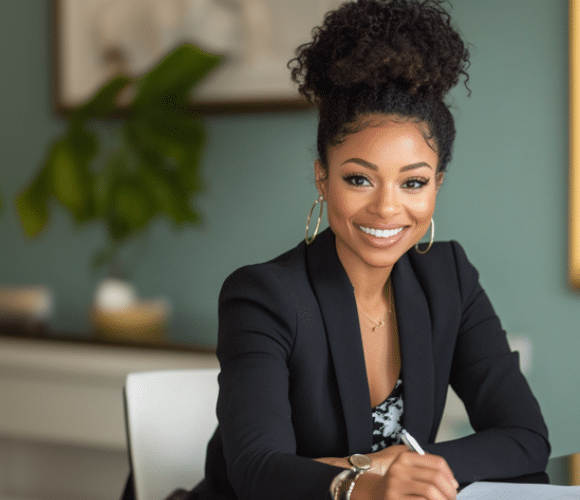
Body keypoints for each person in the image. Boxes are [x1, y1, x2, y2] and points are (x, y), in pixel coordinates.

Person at [192, 1, 550, 499]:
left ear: (437, 185)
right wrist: (363, 480)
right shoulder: (263, 296)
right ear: (322, 177)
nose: (386, 208)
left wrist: (403, 465)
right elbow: (255, 471)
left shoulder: (450, 277)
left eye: (413, 182)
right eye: (359, 178)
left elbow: (526, 439)